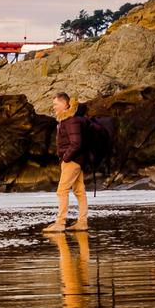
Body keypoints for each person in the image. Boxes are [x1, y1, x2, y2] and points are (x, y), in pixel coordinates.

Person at [44, 92, 89, 233]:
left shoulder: (71, 120)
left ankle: (60, 223)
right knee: (79, 191)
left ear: (65, 104)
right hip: (76, 160)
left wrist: (65, 158)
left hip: (72, 161)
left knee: (62, 191)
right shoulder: (65, 120)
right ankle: (82, 222)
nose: (54, 107)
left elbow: (76, 143)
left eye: (56, 104)